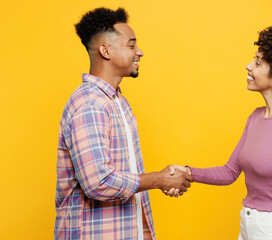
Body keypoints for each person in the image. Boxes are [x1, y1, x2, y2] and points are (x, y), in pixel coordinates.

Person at [168, 22, 272, 240]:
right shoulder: (255, 117)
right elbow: (230, 172)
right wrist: (188, 172)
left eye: (258, 63)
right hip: (248, 224)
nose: (249, 66)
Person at [55, 7, 193, 240]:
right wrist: (159, 179)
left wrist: (145, 231)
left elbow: (128, 178)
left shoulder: (118, 101)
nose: (139, 52)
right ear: (105, 50)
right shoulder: (90, 105)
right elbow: (98, 182)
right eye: (131, 45)